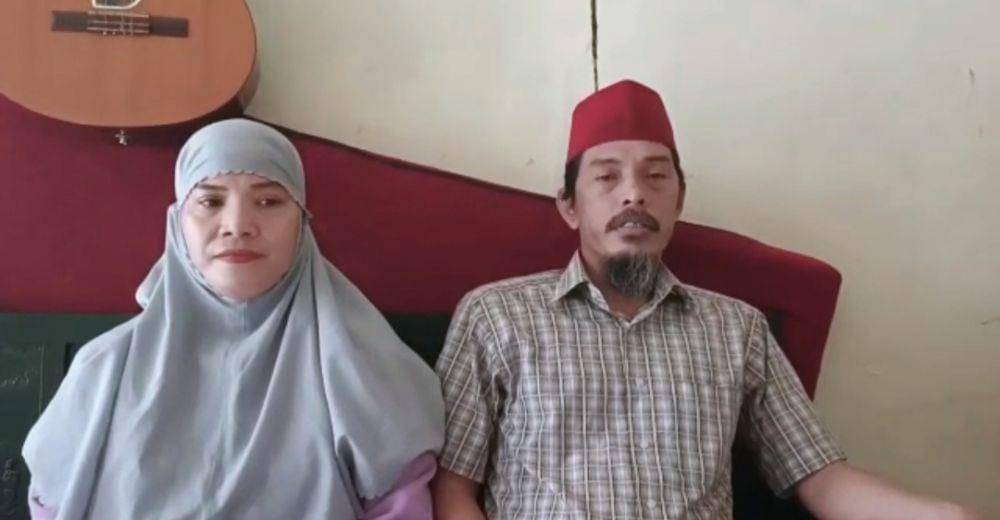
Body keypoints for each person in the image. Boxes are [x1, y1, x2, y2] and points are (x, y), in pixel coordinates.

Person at [431, 80, 980, 519]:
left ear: (679, 200)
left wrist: (946, 515)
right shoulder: (496, 317)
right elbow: (451, 490)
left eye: (655, 176)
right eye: (607, 177)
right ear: (569, 206)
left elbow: (819, 476)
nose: (634, 193)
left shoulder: (736, 329)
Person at [22, 119, 444, 519]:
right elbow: (52, 502)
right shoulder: (102, 371)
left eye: (269, 201)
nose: (238, 226)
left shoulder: (366, 371)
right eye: (210, 201)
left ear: (302, 225)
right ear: (177, 223)